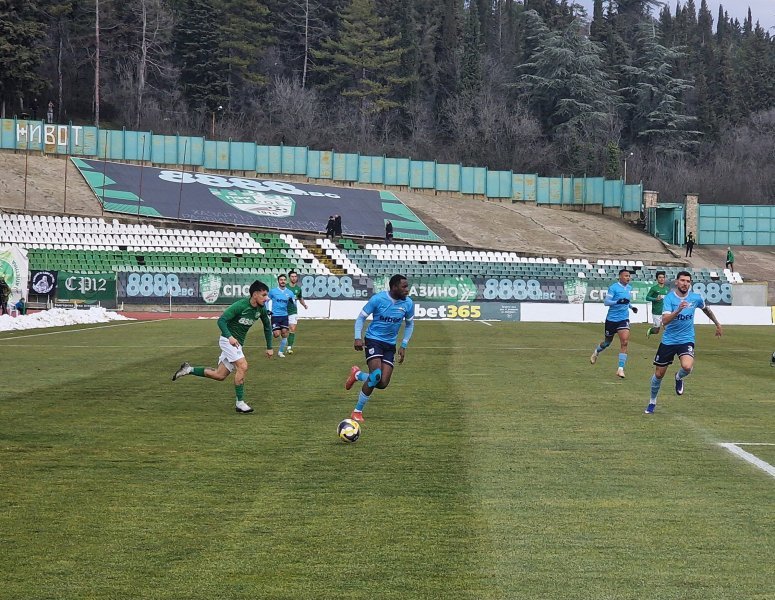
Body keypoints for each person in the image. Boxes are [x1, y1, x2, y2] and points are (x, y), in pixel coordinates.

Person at [171, 280, 273, 413]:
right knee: (243, 366)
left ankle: (188, 369)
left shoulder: (261, 309)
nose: (266, 298)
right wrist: (229, 336)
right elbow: (221, 321)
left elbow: (267, 326)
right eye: (264, 295)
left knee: (220, 375)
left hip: (237, 344)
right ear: (254, 294)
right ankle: (240, 403)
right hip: (227, 340)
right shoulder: (240, 305)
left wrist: (269, 347)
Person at [645, 271, 722, 414]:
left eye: (688, 281)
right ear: (676, 282)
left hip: (686, 339)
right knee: (659, 375)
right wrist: (678, 310)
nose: (685, 283)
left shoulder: (695, 298)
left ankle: (678, 376)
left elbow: (706, 309)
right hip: (668, 340)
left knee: (687, 366)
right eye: (682, 280)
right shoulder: (669, 299)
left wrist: (717, 324)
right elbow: (664, 321)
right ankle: (652, 401)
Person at [344, 274, 415, 422]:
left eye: (407, 286)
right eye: (404, 287)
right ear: (394, 287)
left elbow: (409, 324)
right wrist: (358, 337)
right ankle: (357, 411)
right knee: (376, 375)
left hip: (390, 345)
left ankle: (357, 375)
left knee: (382, 383)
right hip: (373, 340)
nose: (407, 290)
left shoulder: (408, 303)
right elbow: (361, 318)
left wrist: (403, 345)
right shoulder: (378, 299)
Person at [590, 268, 639, 378]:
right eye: (626, 276)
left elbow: (626, 301)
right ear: (620, 277)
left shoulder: (629, 288)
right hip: (611, 320)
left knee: (624, 342)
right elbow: (606, 302)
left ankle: (620, 369)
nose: (628, 278)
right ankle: (596, 352)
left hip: (623, 319)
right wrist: (617, 301)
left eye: (629, 276)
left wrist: (632, 307)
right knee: (607, 343)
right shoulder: (613, 288)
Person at [268, 273, 296, 358]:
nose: (283, 281)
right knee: (277, 334)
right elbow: (266, 300)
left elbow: (294, 303)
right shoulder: (273, 291)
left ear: (286, 281)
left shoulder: (290, 292)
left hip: (284, 316)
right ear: (278, 281)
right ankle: (274, 331)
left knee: (284, 333)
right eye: (281, 280)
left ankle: (280, 352)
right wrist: (267, 310)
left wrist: (293, 302)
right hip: (275, 316)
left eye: (284, 280)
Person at [285, 270, 308, 354]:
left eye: (295, 276)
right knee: (283, 331)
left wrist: (304, 305)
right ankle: (284, 341)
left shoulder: (298, 289)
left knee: (292, 329)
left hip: (293, 311)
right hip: (283, 311)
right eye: (292, 276)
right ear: (289, 277)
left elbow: (300, 298)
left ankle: (289, 347)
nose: (294, 278)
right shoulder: (285, 287)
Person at [645, 271, 670, 338]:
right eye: (660, 277)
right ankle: (650, 330)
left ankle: (668, 342)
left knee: (668, 328)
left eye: (663, 277)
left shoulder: (667, 289)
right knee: (656, 330)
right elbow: (647, 298)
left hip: (666, 312)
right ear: (657, 279)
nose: (662, 279)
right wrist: (655, 299)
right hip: (656, 311)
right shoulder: (654, 288)